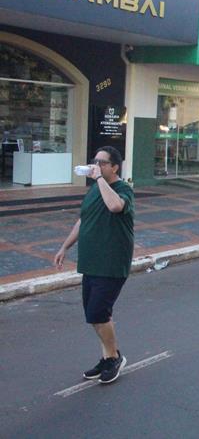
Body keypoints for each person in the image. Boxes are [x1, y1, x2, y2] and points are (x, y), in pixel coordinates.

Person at [53, 146, 133, 384]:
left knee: (100, 311)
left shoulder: (123, 189)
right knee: (93, 314)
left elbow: (116, 206)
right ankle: (108, 356)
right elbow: (83, 220)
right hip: (91, 262)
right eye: (94, 161)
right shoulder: (94, 190)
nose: (95, 165)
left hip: (111, 263)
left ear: (114, 167)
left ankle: (114, 358)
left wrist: (99, 178)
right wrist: (64, 247)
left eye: (102, 162)